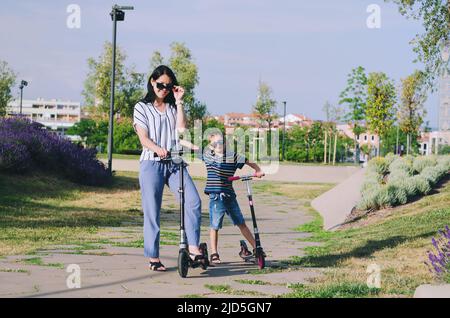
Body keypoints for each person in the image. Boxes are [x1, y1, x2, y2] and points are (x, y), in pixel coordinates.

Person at [133, 65, 205, 272]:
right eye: (160, 85)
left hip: (175, 163)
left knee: (193, 201)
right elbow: (143, 138)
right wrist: (158, 149)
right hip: (151, 163)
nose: (164, 89)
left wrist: (180, 101)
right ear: (152, 82)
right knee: (152, 211)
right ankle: (153, 257)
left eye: (168, 85)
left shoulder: (173, 108)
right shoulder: (141, 107)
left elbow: (181, 131)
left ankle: (193, 248)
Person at [200, 131, 265, 264]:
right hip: (216, 196)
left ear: (226, 143)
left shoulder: (233, 156)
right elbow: (193, 149)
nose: (218, 145)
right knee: (215, 225)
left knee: (241, 222)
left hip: (229, 195)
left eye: (221, 142)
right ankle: (214, 253)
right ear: (211, 145)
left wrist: (258, 170)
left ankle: (256, 248)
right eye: (215, 143)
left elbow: (248, 161)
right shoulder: (208, 155)